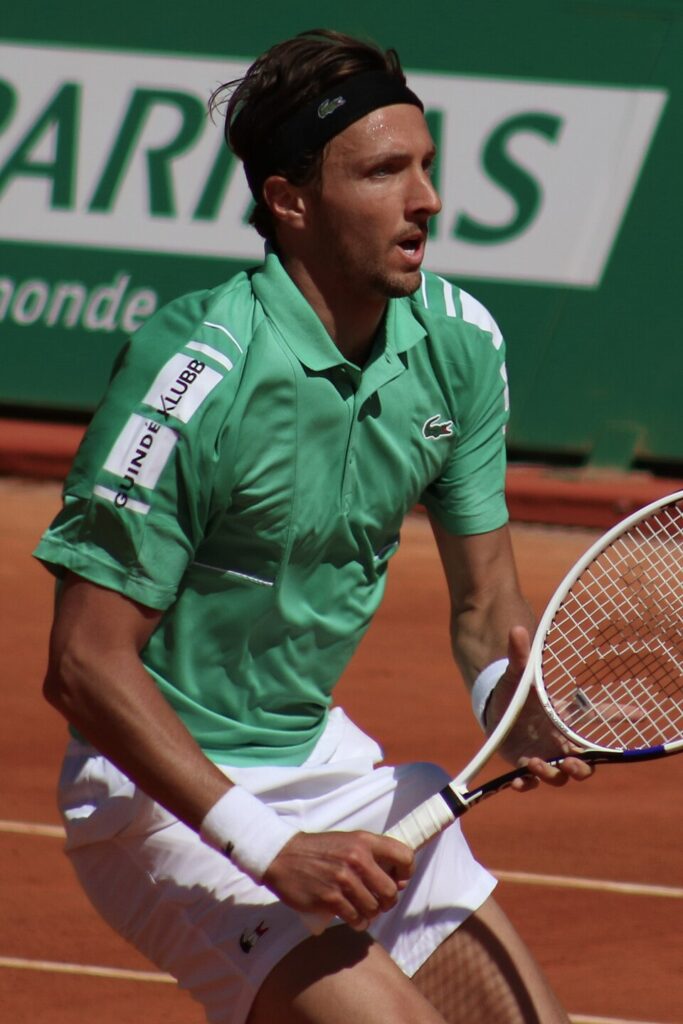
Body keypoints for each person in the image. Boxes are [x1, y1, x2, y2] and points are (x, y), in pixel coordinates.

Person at [36, 28, 592, 1024]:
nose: (426, 199)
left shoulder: (458, 345)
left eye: (425, 166)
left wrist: (508, 700)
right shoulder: (197, 374)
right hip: (162, 797)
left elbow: (484, 606)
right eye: (383, 172)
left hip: (324, 769)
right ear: (289, 201)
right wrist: (267, 847)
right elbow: (83, 663)